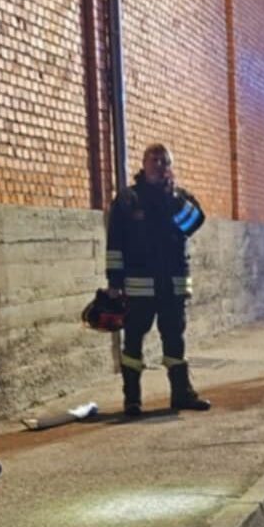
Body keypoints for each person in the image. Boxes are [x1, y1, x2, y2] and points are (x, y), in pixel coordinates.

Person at [105, 144, 211, 417]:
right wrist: (114, 282)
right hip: (139, 286)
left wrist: (173, 198)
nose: (160, 165)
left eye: (165, 161)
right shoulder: (129, 200)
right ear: (144, 163)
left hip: (172, 285)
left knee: (175, 340)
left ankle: (181, 394)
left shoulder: (178, 198)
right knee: (133, 344)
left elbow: (195, 223)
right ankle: (132, 400)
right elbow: (115, 243)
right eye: (154, 160)